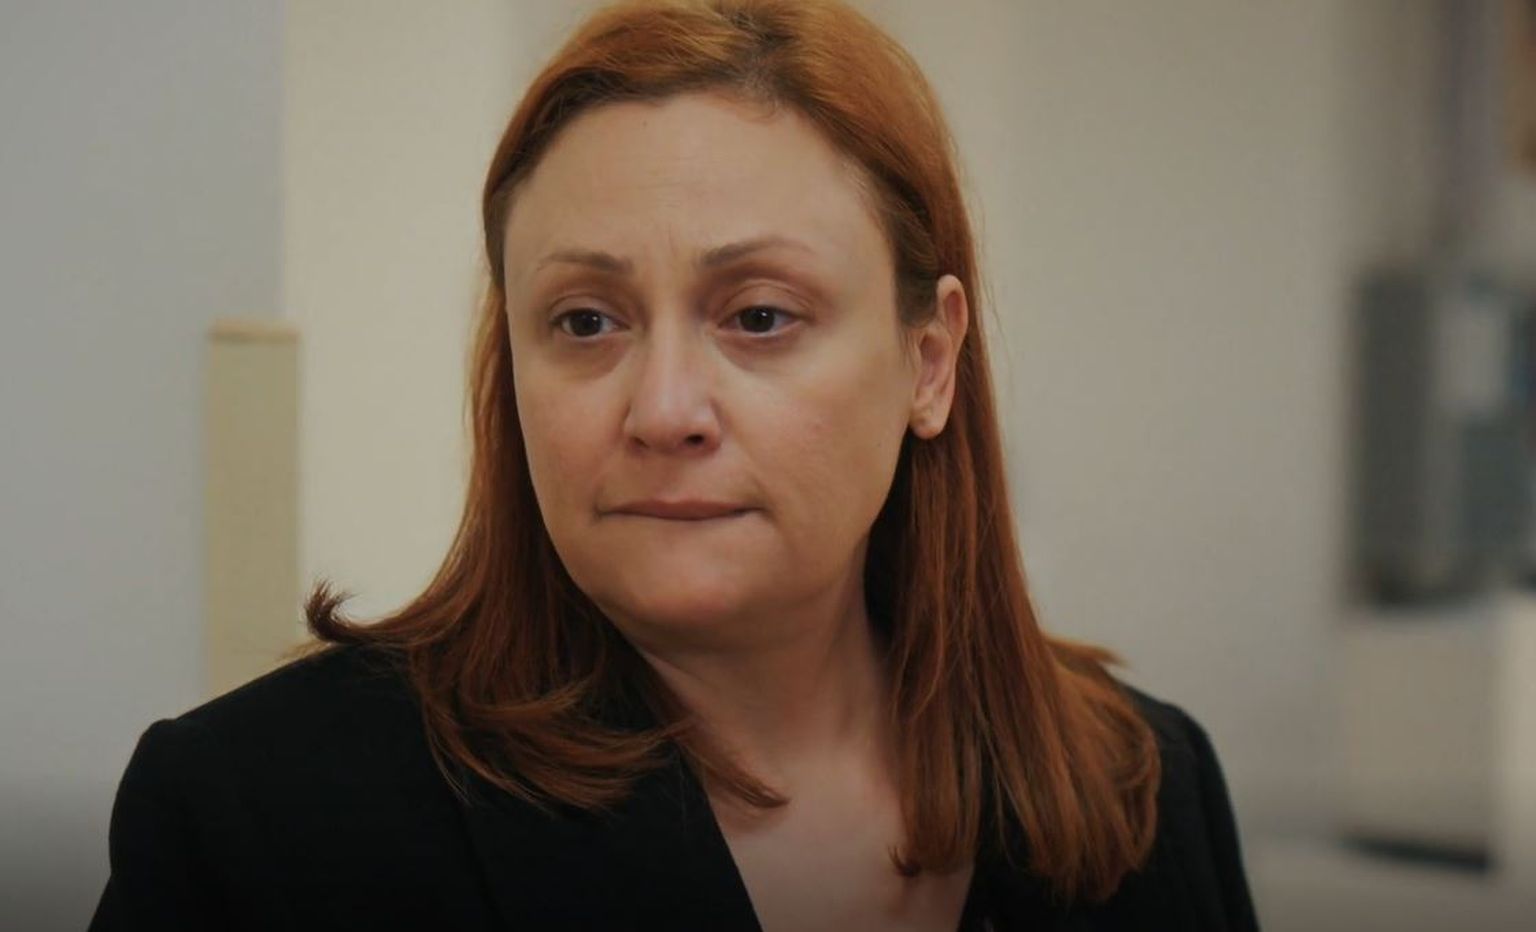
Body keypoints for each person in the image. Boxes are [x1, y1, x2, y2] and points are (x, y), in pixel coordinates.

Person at [90, 1, 1260, 929]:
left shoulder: (1142, 783)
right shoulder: (260, 815)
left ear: (929, 360)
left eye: (759, 315)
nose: (662, 410)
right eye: (586, 321)